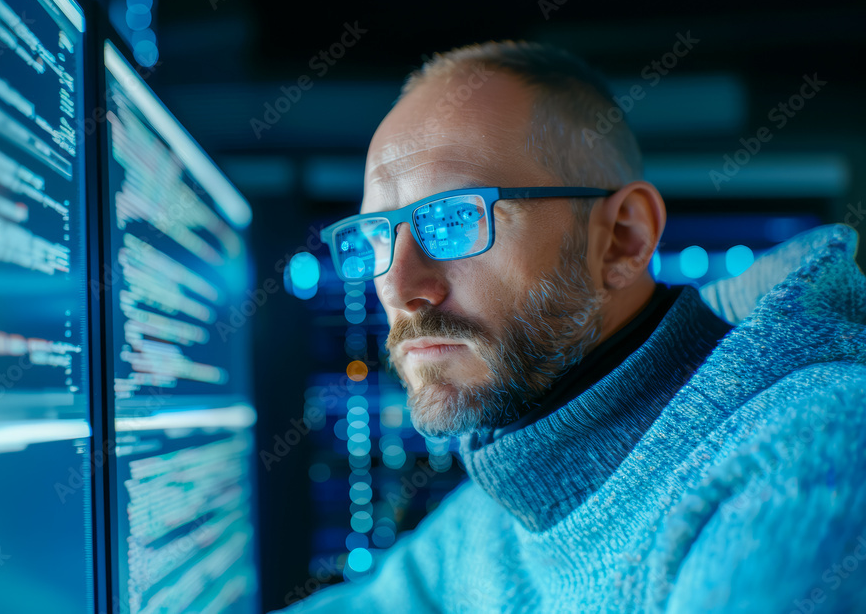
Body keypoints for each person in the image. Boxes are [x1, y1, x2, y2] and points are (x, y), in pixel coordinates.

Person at [279, 41, 866, 613]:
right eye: (376, 235)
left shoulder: (805, 461)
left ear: (623, 238)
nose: (399, 286)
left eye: (456, 218)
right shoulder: (504, 496)